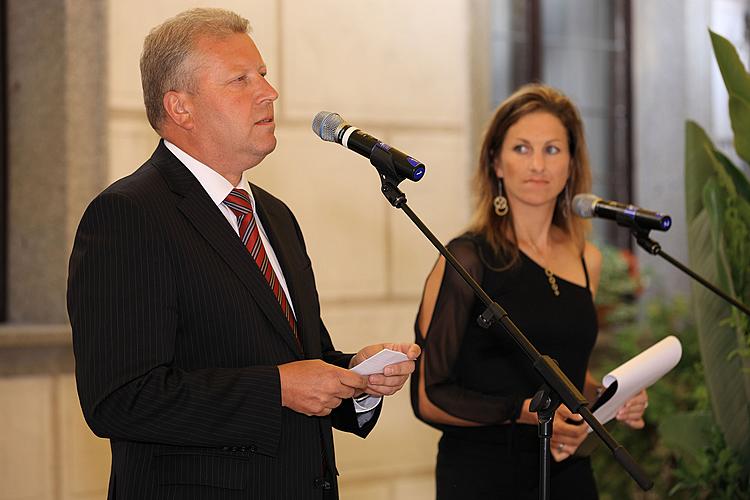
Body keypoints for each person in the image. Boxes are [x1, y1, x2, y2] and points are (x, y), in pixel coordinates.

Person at [67, 8, 419, 500]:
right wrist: (278, 388)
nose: (269, 93)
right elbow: (120, 398)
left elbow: (298, 363)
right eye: (240, 79)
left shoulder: (273, 215)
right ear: (180, 107)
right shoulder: (129, 216)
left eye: (264, 75)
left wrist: (354, 376)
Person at [409, 83, 648, 499]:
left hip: (568, 471)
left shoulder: (585, 258)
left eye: (553, 150)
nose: (538, 164)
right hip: (484, 474)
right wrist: (523, 413)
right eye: (522, 149)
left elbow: (565, 370)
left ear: (572, 165)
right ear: (496, 163)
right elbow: (430, 396)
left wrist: (612, 396)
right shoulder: (467, 258)